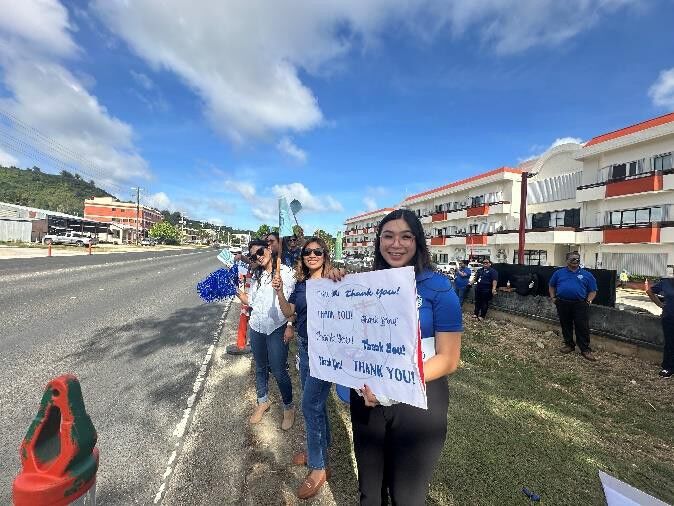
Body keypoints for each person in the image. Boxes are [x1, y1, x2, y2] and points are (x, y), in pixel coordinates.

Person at [330, 209, 462, 505]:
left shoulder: (439, 289)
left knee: (406, 496)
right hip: (367, 397)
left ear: (418, 242)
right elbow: (347, 331)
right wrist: (334, 285)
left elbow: (449, 358)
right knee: (370, 491)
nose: (396, 244)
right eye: (388, 236)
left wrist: (392, 384)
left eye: (406, 236)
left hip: (419, 402)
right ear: (378, 242)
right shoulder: (365, 283)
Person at [274, 236, 334, 499]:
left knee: (310, 405)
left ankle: (318, 467)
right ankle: (318, 450)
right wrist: (278, 292)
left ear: (325, 254)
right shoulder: (300, 284)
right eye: (307, 252)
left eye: (317, 251)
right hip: (304, 346)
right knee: (316, 404)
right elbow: (290, 313)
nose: (311, 255)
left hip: (327, 351)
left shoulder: (335, 280)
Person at [235, 239, 297, 429]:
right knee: (260, 367)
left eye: (260, 251)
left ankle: (288, 407)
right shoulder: (257, 276)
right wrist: (235, 290)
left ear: (270, 249)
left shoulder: (287, 273)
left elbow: (292, 307)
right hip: (257, 328)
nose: (258, 257)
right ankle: (263, 401)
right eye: (253, 256)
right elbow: (250, 300)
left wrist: (289, 325)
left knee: (279, 370)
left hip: (276, 329)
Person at [549, 251, 598, 362]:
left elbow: (593, 291)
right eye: (573, 259)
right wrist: (553, 298)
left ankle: (585, 349)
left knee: (582, 326)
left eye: (577, 259)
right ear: (567, 261)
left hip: (580, 304)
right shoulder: (559, 273)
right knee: (566, 324)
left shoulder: (587, 275)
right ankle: (569, 345)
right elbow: (551, 286)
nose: (575, 261)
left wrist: (588, 301)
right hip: (562, 303)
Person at [646, 276, 674, 378]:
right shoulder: (666, 283)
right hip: (669, 318)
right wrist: (660, 304)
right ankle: (668, 367)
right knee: (670, 343)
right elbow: (650, 291)